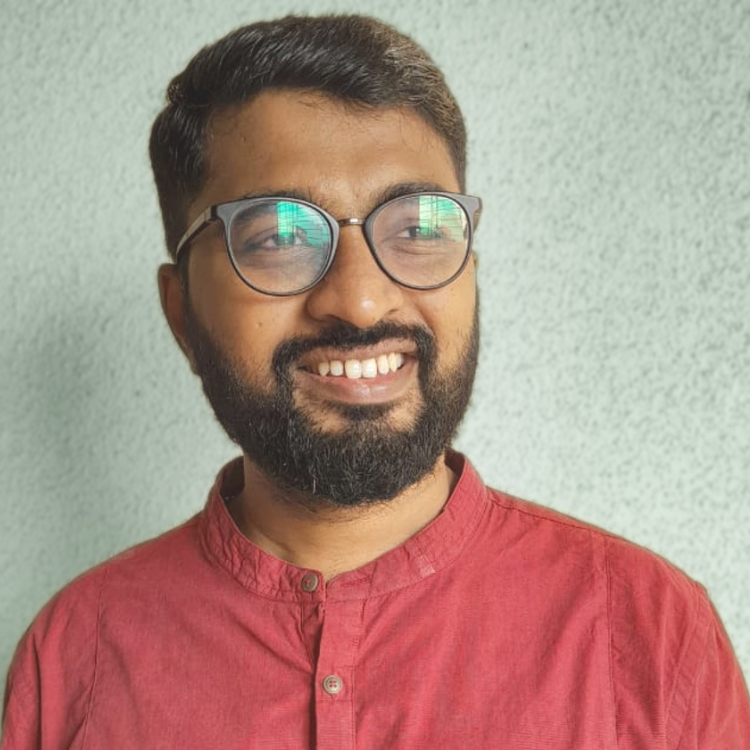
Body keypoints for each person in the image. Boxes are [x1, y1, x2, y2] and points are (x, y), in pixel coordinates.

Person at [2, 13, 749, 749]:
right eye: (280, 236)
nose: (360, 301)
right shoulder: (73, 659)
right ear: (182, 315)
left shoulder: (652, 636)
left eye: (419, 228)